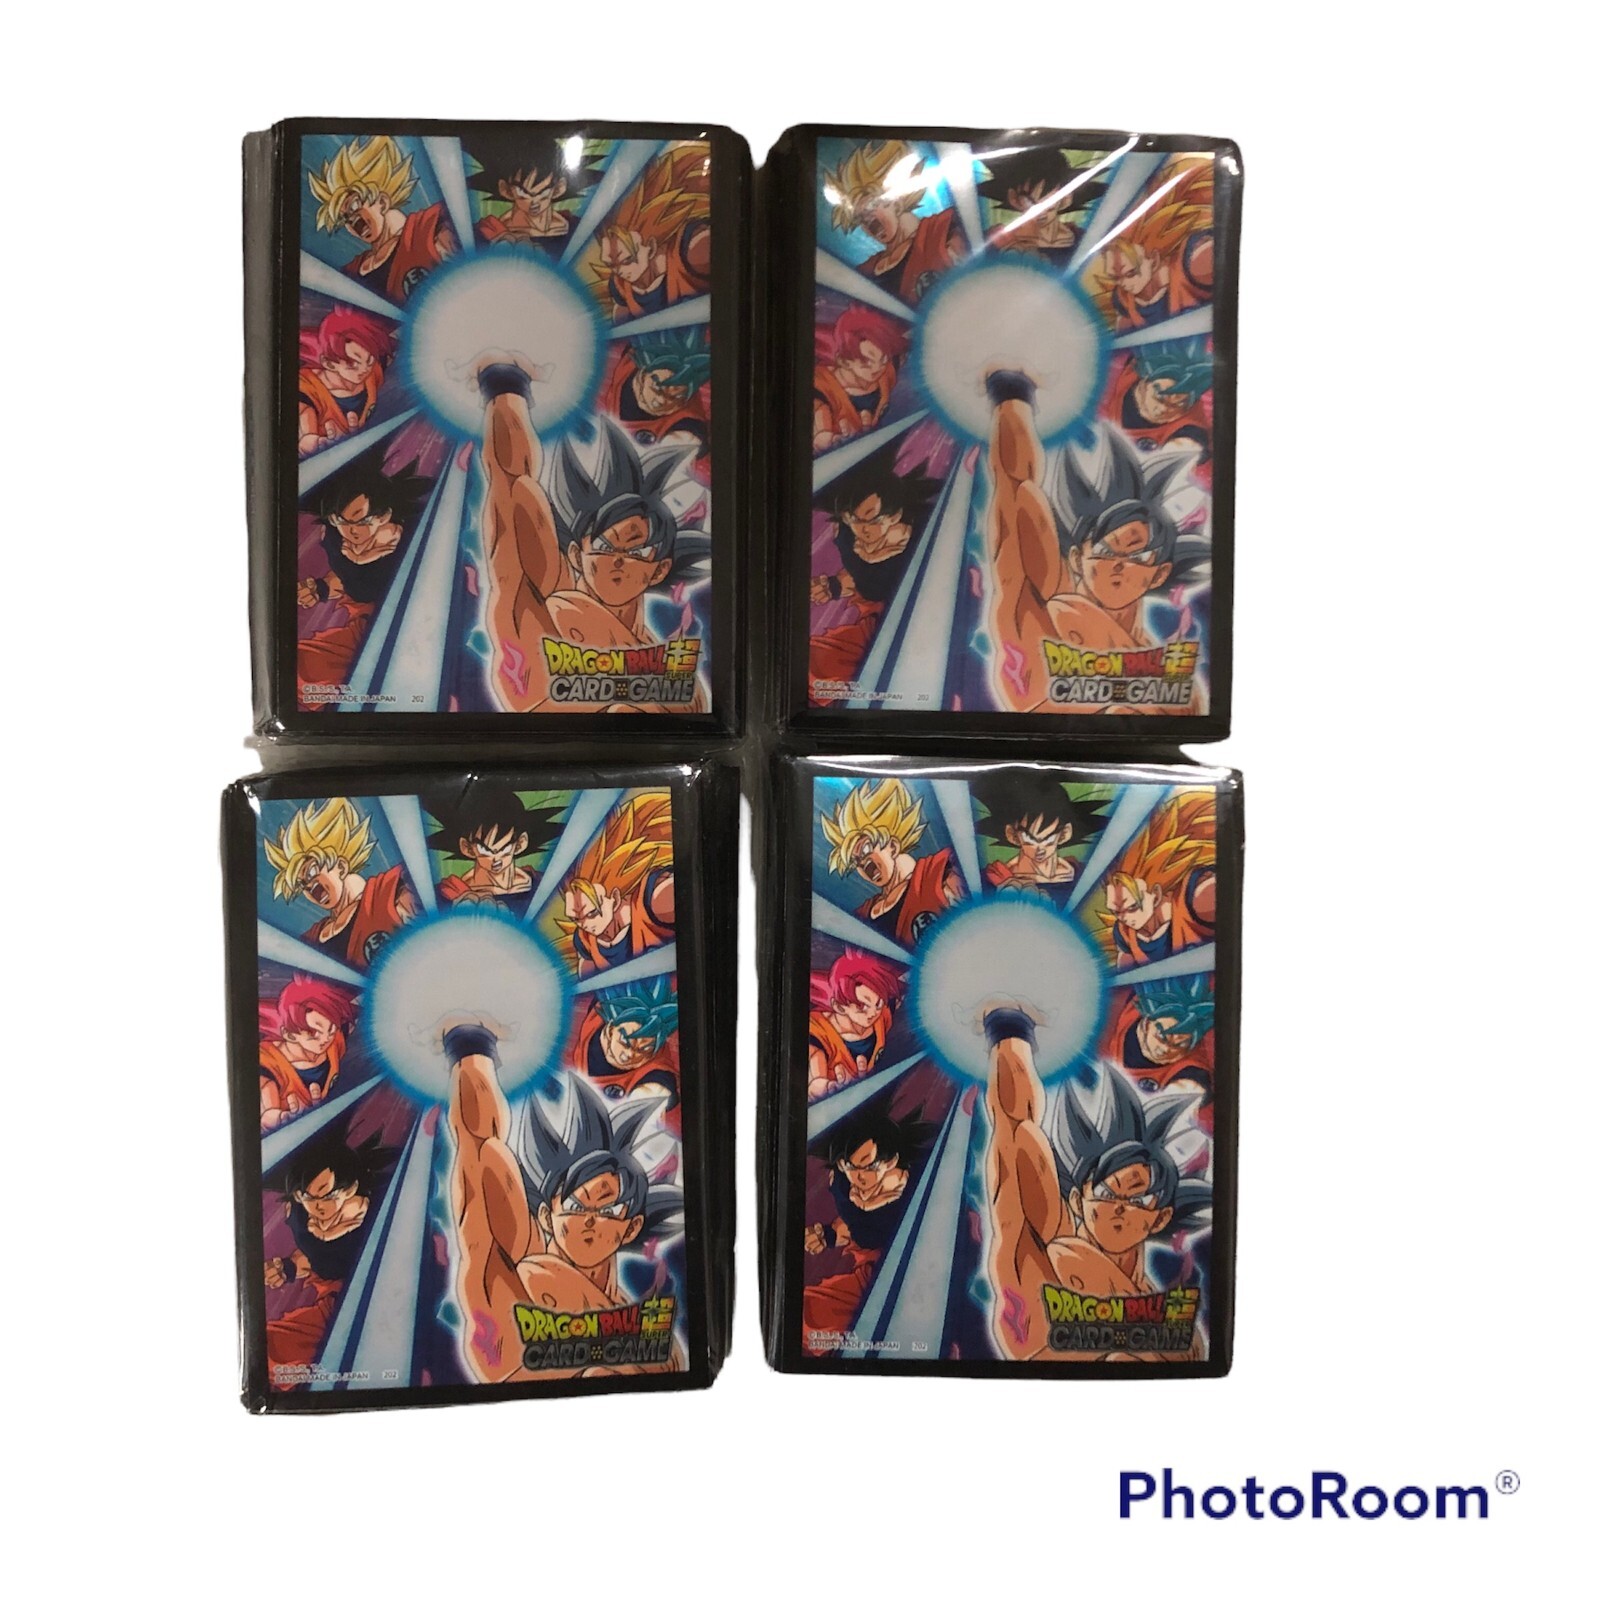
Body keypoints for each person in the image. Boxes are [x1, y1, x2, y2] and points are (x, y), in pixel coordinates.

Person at [445, 1023, 683, 1380]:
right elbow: (479, 1147)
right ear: (547, 1215)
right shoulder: (524, 1271)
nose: (590, 1220)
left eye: (608, 1210)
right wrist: (472, 1052)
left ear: (631, 1226)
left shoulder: (645, 1333)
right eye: (576, 1206)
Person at [474, 357, 710, 713]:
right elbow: (511, 482)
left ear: (659, 569)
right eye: (604, 546)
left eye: (636, 552)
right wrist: (506, 389)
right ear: (576, 553)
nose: (618, 561)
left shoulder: (671, 677)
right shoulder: (550, 602)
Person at [983, 1006, 1210, 1361]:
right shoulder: (1053, 1249)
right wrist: (1010, 1034)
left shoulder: (1170, 1323)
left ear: (1160, 1218)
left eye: (1138, 1200)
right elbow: (1015, 1127)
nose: (1119, 1208)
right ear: (1079, 1199)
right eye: (1106, 1193)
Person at [982, 369, 1208, 708]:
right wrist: (1012, 399)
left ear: (1158, 574)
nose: (1119, 566)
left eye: (1137, 557)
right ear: (1078, 558)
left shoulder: (1161, 673)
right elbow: (1015, 486)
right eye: (1106, 551)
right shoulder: (1053, 604)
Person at [263, 1129, 396, 1387]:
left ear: (350, 1187)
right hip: (332, 1307)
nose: (317, 1206)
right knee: (270, 1350)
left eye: (327, 1195)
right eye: (307, 1197)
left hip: (379, 1305)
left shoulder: (379, 1212)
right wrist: (287, 1268)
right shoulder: (302, 1217)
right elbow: (316, 1257)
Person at [802, 1104, 936, 1355]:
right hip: (870, 1271)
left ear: (891, 1159)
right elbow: (855, 1225)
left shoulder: (920, 1183)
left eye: (869, 1166)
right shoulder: (843, 1185)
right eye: (850, 1167)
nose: (859, 1177)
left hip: (917, 1272)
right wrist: (828, 1235)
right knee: (808, 1315)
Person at [807, 452, 939, 698]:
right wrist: (835, 585)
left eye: (870, 518)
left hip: (920, 628)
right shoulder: (847, 536)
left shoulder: (924, 537)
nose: (861, 530)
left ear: (894, 514)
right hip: (874, 626)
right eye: (852, 519)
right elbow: (863, 579)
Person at [263, 797, 418, 971]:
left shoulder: (389, 893)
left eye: (312, 872)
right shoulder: (312, 938)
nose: (310, 887)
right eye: (302, 885)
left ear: (341, 867)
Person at [308, 134, 456, 303]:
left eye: (355, 206)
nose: (353, 223)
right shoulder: (352, 272)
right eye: (345, 219)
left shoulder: (430, 229)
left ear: (383, 202)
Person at [819, 777, 963, 947]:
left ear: (893, 846)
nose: (864, 865)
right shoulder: (862, 916)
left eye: (866, 849)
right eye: (855, 862)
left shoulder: (940, 874)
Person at [824, 139, 964, 305]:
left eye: (872, 205)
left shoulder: (945, 230)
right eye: (860, 218)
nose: (868, 221)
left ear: (896, 203)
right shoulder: (865, 272)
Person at [557, 793, 675, 974]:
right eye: (576, 919)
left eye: (592, 913)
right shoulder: (586, 942)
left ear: (615, 897)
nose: (585, 925)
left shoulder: (655, 902)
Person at [1100, 789, 1217, 967]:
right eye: (1116, 912)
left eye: (1132, 907)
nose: (1124, 919)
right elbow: (1124, 979)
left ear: (1155, 894)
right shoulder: (1125, 934)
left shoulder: (1197, 899)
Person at [594, 144, 711, 319]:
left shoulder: (693, 251)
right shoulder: (620, 287)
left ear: (651, 246)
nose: (619, 271)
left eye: (627, 260)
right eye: (611, 264)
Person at [425, 779, 566, 917]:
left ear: (520, 844)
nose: (496, 858)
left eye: (504, 848)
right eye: (486, 850)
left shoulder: (546, 888)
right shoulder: (445, 895)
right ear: (467, 848)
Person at [971, 771, 1109, 904]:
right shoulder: (991, 879)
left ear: (1064, 834)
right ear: (1012, 835)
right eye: (1030, 839)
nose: (1039, 849)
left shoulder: (1085, 878)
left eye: (1048, 839)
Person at [463, 132, 600, 248]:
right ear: (506, 190)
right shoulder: (485, 232)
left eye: (542, 193)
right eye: (524, 195)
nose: (534, 202)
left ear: (559, 188)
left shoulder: (580, 230)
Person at [976, 144, 1107, 264]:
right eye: (1029, 201)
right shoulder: (993, 242)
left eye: (1049, 201)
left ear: (1066, 199)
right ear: (1013, 198)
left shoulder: (1087, 242)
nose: (1040, 210)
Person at [258, 976, 358, 1130]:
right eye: (314, 1033)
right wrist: (281, 1119)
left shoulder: (334, 1041)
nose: (325, 1039)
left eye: (331, 1029)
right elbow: (266, 1112)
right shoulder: (268, 1066)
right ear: (290, 1035)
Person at [296, 308, 397, 456]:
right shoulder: (307, 393)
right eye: (353, 364)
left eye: (369, 361)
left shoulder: (373, 371)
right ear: (329, 364)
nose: (364, 370)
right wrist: (312, 445)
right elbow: (305, 433)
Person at [807, 950, 905, 1100]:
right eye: (862, 1006)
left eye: (878, 1004)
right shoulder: (818, 1035)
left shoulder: (882, 1015)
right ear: (839, 1007)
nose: (873, 1013)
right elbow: (814, 1076)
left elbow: (898, 995)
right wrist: (826, 1088)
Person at [812, 305, 909, 451]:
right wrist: (830, 439)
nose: (877, 368)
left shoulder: (887, 371)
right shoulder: (822, 392)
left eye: (883, 360)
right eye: (867, 362)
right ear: (844, 361)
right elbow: (821, 434)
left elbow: (901, 352)